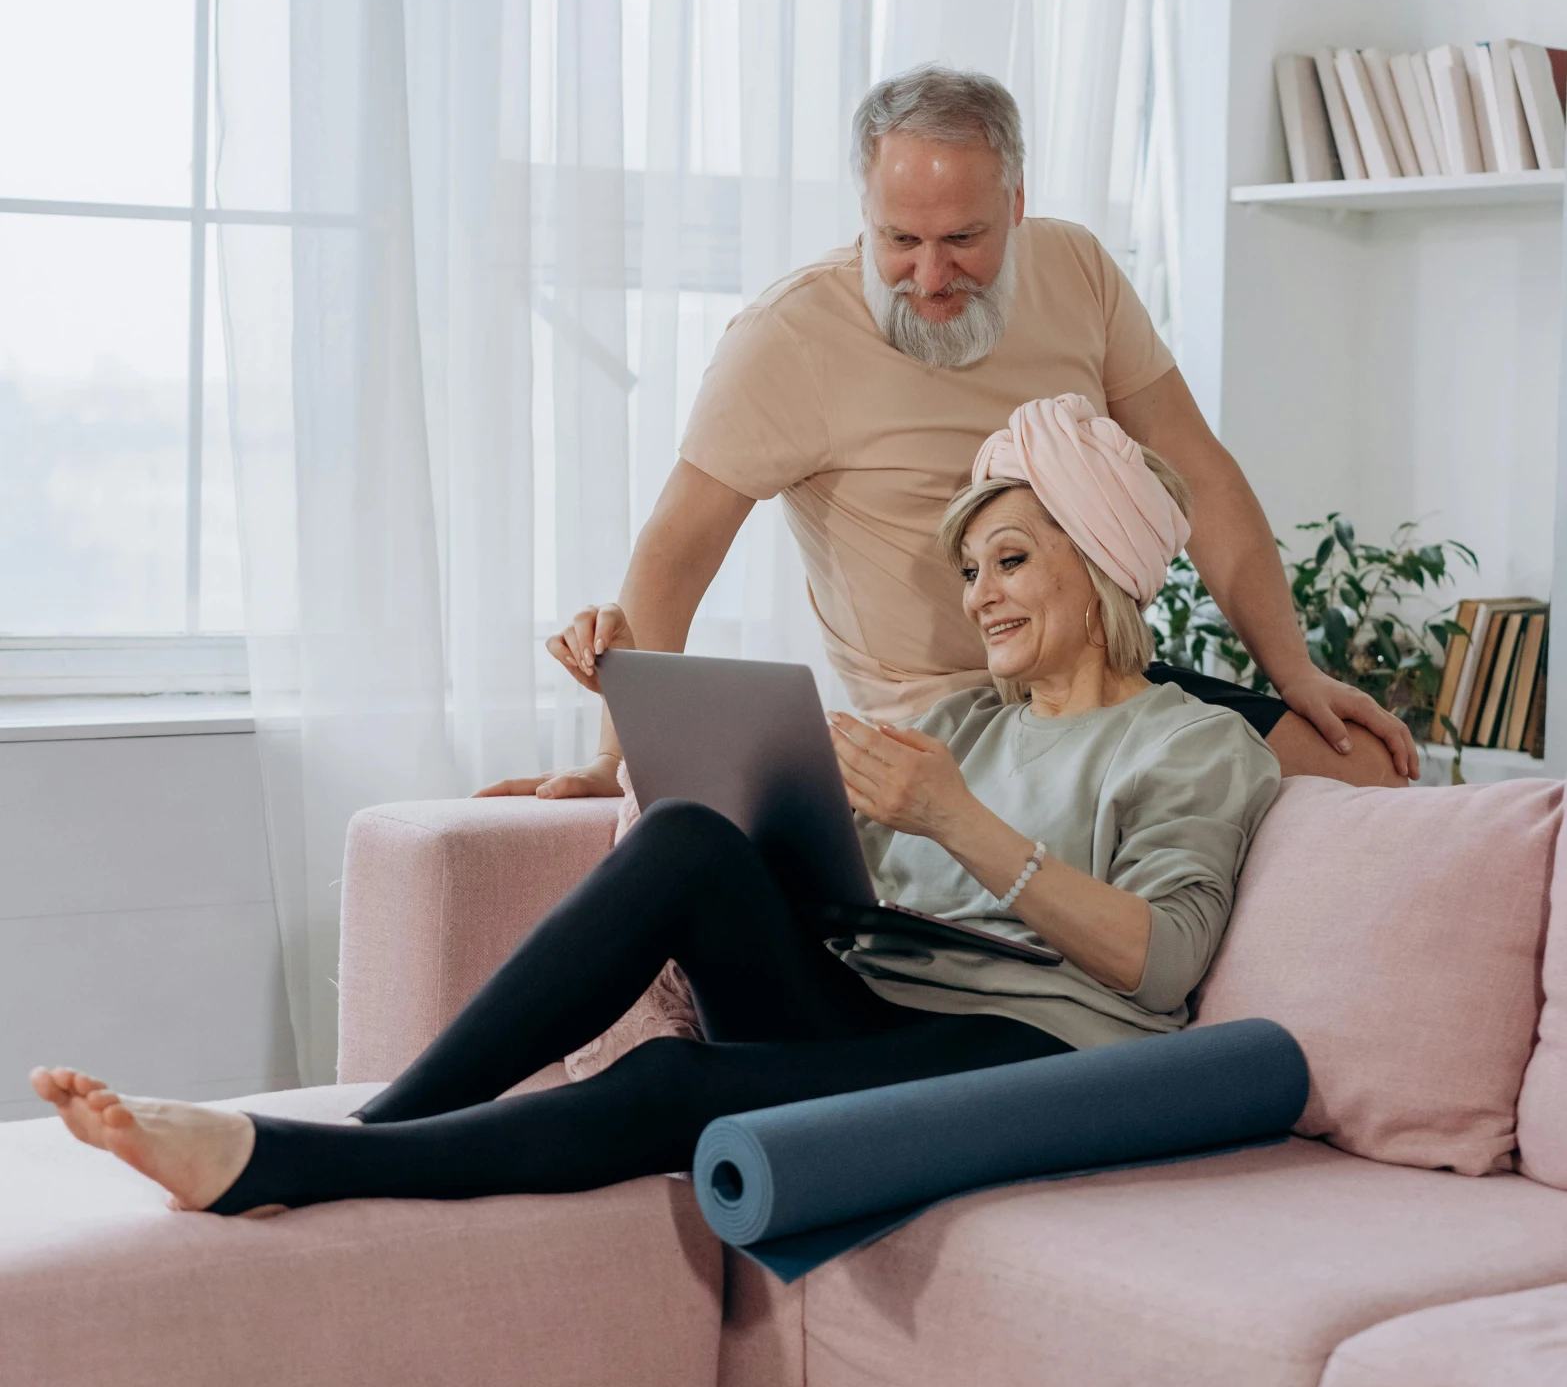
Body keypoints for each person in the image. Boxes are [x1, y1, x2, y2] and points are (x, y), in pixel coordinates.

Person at [33, 397, 1280, 1216]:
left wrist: (961, 824)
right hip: (875, 1012)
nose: (982, 596)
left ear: (1106, 566)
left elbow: (1163, 966)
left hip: (1039, 1060)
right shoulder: (958, 722)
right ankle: (387, 1120)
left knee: (679, 1084)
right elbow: (804, 858)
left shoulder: (1195, 745)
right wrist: (636, 715)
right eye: (970, 570)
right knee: (690, 839)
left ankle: (292, 1165)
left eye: (1010, 561)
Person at [483, 65, 1412, 802]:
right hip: (954, 722)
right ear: (864, 211)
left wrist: (1294, 672)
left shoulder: (1077, 268)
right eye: (899, 240)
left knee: (1365, 767)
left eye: (962, 239)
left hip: (1100, 684)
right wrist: (613, 762)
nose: (928, 276)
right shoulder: (787, 338)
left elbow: (1200, 473)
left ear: (1015, 203)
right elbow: (676, 548)